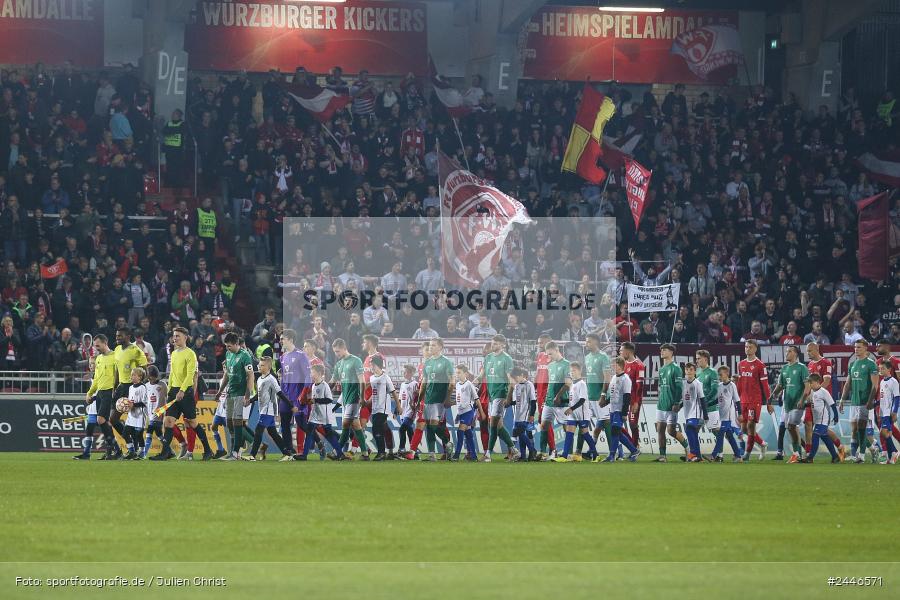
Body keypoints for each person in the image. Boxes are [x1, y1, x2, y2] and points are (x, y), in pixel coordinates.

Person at [150, 326, 213, 461]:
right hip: (174, 391)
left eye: (178, 336)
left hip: (186, 392)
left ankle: (208, 450)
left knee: (191, 422)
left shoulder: (190, 353)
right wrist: (170, 390)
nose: (175, 338)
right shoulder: (174, 353)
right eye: (174, 336)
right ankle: (165, 452)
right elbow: (172, 373)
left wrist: (182, 390)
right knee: (168, 421)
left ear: (185, 337)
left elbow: (191, 374)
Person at [74, 334, 119, 460]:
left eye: (97, 345)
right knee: (103, 422)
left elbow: (118, 375)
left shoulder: (115, 356)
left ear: (105, 342)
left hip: (109, 391)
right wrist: (89, 392)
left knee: (100, 420)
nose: (96, 347)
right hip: (100, 392)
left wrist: (116, 389)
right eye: (95, 345)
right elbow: (97, 379)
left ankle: (114, 449)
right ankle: (114, 450)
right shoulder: (98, 358)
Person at [838, 339, 879, 463]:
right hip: (854, 402)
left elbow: (875, 385)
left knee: (861, 427)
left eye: (859, 347)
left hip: (865, 401)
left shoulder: (871, 364)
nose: (856, 349)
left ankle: (861, 455)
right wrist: (842, 400)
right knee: (855, 430)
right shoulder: (852, 364)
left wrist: (870, 401)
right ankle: (873, 449)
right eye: (855, 347)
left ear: (866, 348)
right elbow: (847, 384)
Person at [217, 332, 255, 461]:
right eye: (226, 346)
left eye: (229, 346)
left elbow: (250, 376)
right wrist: (220, 391)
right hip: (230, 392)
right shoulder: (228, 354)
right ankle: (236, 449)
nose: (227, 349)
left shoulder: (245, 356)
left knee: (237, 421)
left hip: (240, 392)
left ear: (237, 344)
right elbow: (227, 374)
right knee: (229, 422)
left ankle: (235, 452)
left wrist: (247, 395)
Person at [110, 327, 148, 455]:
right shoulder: (116, 349)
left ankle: (134, 448)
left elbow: (144, 370)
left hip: (131, 387)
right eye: (116, 336)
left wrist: (138, 386)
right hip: (121, 387)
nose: (117, 338)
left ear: (128, 336)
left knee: (130, 421)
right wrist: (115, 386)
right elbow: (116, 369)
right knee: (113, 420)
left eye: (120, 336)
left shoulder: (136, 351)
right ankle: (132, 445)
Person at [479, 334, 516, 461]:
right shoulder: (488, 357)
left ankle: (488, 455)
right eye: (492, 343)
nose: (493, 345)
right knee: (497, 425)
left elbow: (511, 381)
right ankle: (513, 449)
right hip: (491, 394)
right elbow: (482, 375)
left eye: (495, 343)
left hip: (501, 394)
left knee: (493, 423)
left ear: (502, 345)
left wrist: (508, 397)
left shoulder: (507, 359)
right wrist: (470, 382)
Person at [805, 343, 845, 461]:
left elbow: (826, 381)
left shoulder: (826, 363)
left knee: (821, 429)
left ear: (817, 349)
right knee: (809, 424)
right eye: (807, 351)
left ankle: (838, 447)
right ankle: (809, 454)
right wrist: (807, 396)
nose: (808, 353)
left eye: (810, 351)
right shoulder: (810, 364)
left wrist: (816, 394)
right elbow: (809, 383)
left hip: (823, 400)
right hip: (812, 399)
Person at [297, 364, 346, 460]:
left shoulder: (325, 385)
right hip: (315, 414)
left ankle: (340, 453)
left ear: (319, 373)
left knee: (329, 435)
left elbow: (329, 400)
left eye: (312, 372)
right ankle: (304, 455)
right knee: (309, 432)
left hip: (324, 415)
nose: (311, 374)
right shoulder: (313, 385)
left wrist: (316, 401)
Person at [417, 338, 454, 461]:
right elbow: (424, 383)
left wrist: (447, 398)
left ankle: (441, 448)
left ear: (440, 347)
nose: (430, 347)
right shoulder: (427, 363)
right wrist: (419, 401)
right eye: (430, 345)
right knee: (430, 427)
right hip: (428, 399)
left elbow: (452, 382)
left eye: (433, 345)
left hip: (440, 399)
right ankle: (437, 450)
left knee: (433, 426)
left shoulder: (446, 362)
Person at [770, 345, 809, 463]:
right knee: (790, 428)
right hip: (787, 404)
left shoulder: (802, 368)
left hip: (797, 404)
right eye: (786, 351)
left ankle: (797, 454)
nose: (787, 353)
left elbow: (807, 387)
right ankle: (800, 453)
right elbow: (780, 385)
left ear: (796, 354)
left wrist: (802, 400)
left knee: (791, 426)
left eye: (790, 351)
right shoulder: (785, 368)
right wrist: (772, 396)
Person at [332, 338, 369, 460]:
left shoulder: (356, 360)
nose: (336, 354)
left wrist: (362, 397)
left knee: (345, 424)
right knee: (356, 426)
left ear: (344, 348)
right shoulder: (338, 364)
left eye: (338, 351)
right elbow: (333, 381)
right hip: (345, 400)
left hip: (354, 398)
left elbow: (362, 381)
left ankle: (337, 452)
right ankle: (365, 454)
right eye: (335, 352)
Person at [554, 362, 598, 462]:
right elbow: (572, 400)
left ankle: (596, 455)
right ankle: (564, 456)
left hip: (582, 415)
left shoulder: (582, 384)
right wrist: (562, 400)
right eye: (571, 371)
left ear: (579, 371)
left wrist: (571, 409)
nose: (572, 373)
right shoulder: (573, 384)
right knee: (569, 433)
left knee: (585, 434)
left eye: (574, 370)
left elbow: (582, 400)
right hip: (573, 415)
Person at [599, 357, 640, 462]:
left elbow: (627, 397)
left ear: (621, 366)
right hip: (612, 410)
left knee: (615, 431)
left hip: (619, 409)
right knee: (617, 433)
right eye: (612, 365)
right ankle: (634, 450)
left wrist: (624, 412)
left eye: (615, 365)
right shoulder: (614, 378)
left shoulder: (625, 379)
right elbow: (613, 395)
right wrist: (606, 402)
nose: (613, 366)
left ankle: (611, 455)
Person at [736, 340, 771, 461]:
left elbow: (765, 385)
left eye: (750, 347)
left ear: (755, 349)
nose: (747, 349)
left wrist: (769, 402)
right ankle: (762, 443)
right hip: (743, 400)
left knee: (751, 425)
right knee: (744, 428)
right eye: (746, 347)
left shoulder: (760, 365)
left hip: (754, 400)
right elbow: (740, 384)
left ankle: (747, 454)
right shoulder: (741, 364)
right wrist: (737, 400)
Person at [653, 344, 688, 462]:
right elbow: (660, 387)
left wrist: (677, 402)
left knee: (671, 431)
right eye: (661, 350)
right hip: (661, 405)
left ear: (672, 352)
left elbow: (679, 387)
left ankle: (688, 449)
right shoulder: (662, 369)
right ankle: (663, 456)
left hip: (671, 405)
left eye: (665, 350)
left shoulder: (676, 368)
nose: (662, 351)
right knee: (660, 429)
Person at [279, 329, 310, 455]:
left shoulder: (301, 355)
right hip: (286, 397)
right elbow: (283, 377)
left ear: (290, 339)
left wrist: (303, 395)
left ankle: (319, 443)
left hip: (298, 396)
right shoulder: (282, 357)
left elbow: (308, 377)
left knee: (301, 424)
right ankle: (289, 451)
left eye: (283, 339)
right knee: (284, 425)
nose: (281, 341)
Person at [539, 341, 568, 461]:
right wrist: (547, 398)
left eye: (550, 354)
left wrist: (558, 396)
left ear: (557, 350)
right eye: (547, 355)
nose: (549, 357)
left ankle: (568, 453)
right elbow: (551, 384)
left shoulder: (567, 364)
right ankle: (542, 453)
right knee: (544, 425)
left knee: (567, 427)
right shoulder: (550, 366)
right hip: (549, 401)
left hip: (561, 402)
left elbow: (568, 383)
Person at [804, 374, 841, 463]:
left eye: (811, 383)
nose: (810, 385)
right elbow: (814, 404)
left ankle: (810, 457)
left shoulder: (823, 391)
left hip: (823, 419)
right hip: (817, 419)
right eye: (809, 383)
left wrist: (836, 416)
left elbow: (832, 404)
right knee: (825, 438)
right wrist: (804, 405)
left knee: (815, 435)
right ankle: (835, 456)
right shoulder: (813, 392)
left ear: (817, 382)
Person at [367, 355, 398, 461]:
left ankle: (381, 452)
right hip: (375, 408)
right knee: (384, 429)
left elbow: (393, 392)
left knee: (376, 429)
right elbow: (374, 393)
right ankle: (389, 451)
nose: (370, 366)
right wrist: (367, 402)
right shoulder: (372, 378)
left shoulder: (385, 377)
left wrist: (398, 407)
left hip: (383, 408)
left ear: (377, 365)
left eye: (372, 364)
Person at [711, 366, 743, 462]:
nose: (719, 377)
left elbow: (737, 400)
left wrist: (740, 414)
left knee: (720, 434)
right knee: (729, 435)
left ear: (726, 373)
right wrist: (707, 404)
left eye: (721, 374)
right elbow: (718, 400)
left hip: (729, 416)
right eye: (719, 375)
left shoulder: (732, 385)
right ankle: (738, 456)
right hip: (721, 415)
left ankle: (713, 455)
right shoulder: (720, 386)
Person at [451, 365, 481, 462]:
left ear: (465, 374)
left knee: (460, 432)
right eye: (456, 372)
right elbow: (459, 400)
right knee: (468, 434)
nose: (457, 374)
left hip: (468, 411)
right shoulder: (457, 384)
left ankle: (456, 455)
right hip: (461, 413)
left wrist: (481, 412)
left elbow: (476, 399)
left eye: (459, 372)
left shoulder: (469, 384)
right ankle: (474, 457)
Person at [533, 334, 556, 455]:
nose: (539, 345)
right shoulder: (540, 356)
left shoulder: (554, 358)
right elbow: (538, 373)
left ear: (549, 342)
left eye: (541, 343)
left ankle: (551, 449)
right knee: (542, 421)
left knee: (545, 421)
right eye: (538, 342)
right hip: (540, 394)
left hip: (548, 393)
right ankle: (545, 451)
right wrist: (534, 387)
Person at [677, 362, 705, 462]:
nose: (689, 371)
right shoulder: (684, 383)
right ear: (685, 371)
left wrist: (705, 415)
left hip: (696, 412)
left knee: (689, 428)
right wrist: (679, 406)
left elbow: (702, 399)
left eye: (691, 370)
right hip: (688, 413)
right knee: (693, 433)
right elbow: (685, 399)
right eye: (687, 369)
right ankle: (698, 457)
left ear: (695, 371)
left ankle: (692, 454)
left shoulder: (697, 383)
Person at [509, 367, 537, 462]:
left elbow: (533, 401)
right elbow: (515, 401)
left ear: (521, 375)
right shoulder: (516, 386)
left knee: (519, 432)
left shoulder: (529, 385)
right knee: (520, 435)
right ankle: (523, 456)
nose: (515, 379)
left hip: (525, 414)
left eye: (516, 377)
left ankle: (532, 450)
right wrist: (507, 403)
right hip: (517, 414)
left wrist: (532, 414)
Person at [695, 350, 719, 455]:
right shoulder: (698, 372)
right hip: (700, 408)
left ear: (705, 359)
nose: (697, 361)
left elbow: (714, 390)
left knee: (716, 432)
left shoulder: (712, 372)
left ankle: (718, 454)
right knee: (694, 430)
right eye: (696, 358)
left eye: (698, 358)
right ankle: (694, 453)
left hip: (711, 407)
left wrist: (705, 401)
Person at [621, 342, 645, 449]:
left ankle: (635, 447)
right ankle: (633, 445)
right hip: (624, 400)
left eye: (622, 350)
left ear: (628, 351)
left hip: (634, 400)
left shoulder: (639, 365)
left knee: (632, 424)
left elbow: (640, 386)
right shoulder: (624, 365)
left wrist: (636, 402)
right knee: (617, 425)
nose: (620, 352)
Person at [141, 366, 168, 459]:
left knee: (149, 432)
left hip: (158, 413)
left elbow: (166, 398)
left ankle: (143, 454)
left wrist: (164, 412)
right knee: (159, 434)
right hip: (150, 413)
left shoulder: (162, 385)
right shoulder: (146, 386)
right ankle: (169, 450)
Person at [122, 366, 148, 460]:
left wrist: (134, 405)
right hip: (131, 415)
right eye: (131, 374)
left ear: (140, 377)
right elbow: (130, 401)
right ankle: (131, 451)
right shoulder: (130, 387)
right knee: (125, 433)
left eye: (134, 375)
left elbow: (145, 402)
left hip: (140, 416)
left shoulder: (142, 387)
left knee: (138, 435)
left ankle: (142, 453)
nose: (131, 376)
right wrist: (126, 406)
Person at [876, 361, 899, 464]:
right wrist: (875, 404)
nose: (881, 370)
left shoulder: (893, 381)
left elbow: (897, 397)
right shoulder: (882, 382)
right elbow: (882, 398)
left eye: (883, 368)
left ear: (889, 369)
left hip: (889, 412)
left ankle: (894, 452)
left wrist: (894, 412)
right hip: (883, 411)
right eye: (880, 368)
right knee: (887, 433)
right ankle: (891, 458)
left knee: (884, 432)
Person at [396, 365, 419, 457]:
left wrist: (415, 406)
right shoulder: (402, 384)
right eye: (403, 372)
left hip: (410, 411)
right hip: (403, 411)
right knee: (409, 430)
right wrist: (396, 410)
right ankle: (414, 452)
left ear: (411, 373)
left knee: (402, 429)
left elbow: (418, 396)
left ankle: (401, 449)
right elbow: (400, 398)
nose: (404, 373)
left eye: (405, 372)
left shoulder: (415, 384)